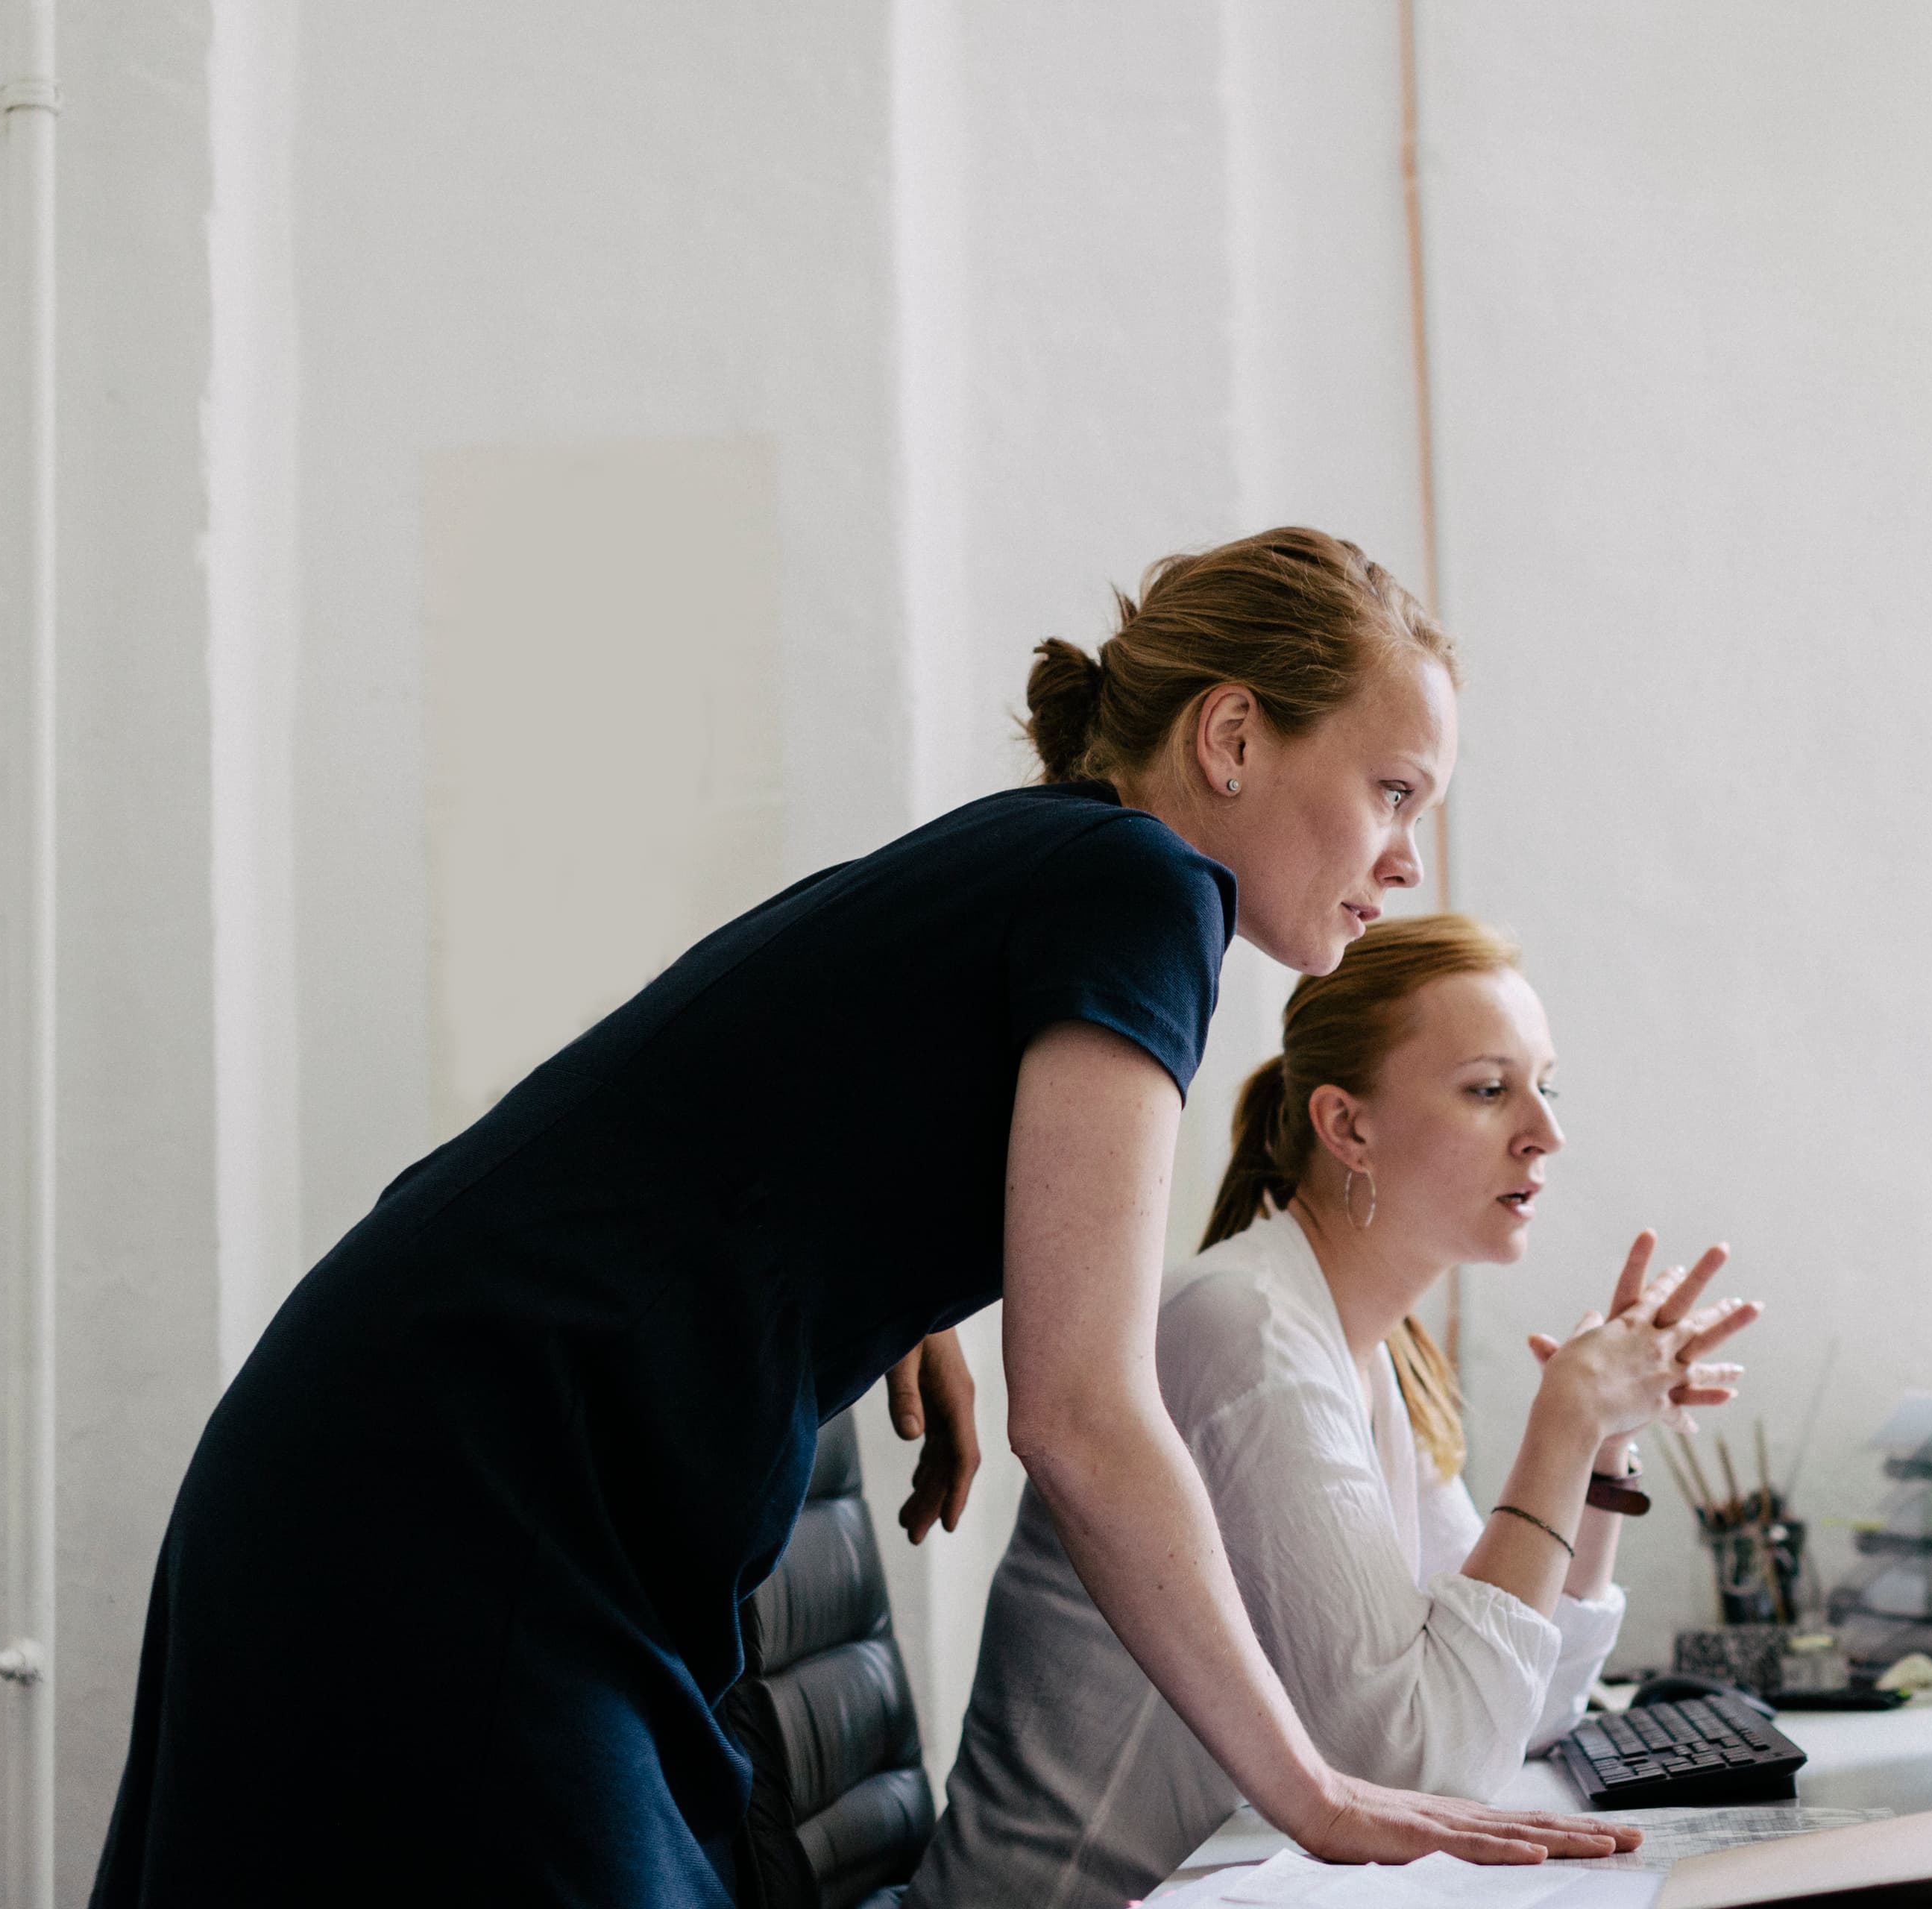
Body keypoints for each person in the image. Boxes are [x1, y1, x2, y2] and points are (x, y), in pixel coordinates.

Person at [89, 529, 1641, 1907]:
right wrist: (1315, 1791)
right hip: (469, 1478)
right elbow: (1085, 1416)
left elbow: (776, 1100)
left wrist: (910, 1298)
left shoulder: (1055, 856)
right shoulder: (1145, 887)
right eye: (1391, 791)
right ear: (1233, 736)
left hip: (421, 1431)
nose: (1406, 857)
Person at [913, 914, 1760, 1909]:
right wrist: (1563, 1422)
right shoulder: (1250, 1335)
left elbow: (1523, 1712)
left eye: (1547, 1085)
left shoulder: (1366, 1346)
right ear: (1348, 1127)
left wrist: (1603, 1452)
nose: (1546, 1132)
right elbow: (1425, 1768)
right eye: (1489, 1090)